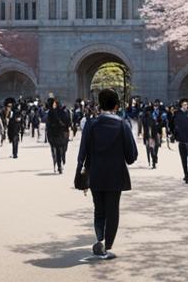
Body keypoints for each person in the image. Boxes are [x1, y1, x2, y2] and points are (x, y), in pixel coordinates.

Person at [77, 88, 138, 260]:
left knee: (99, 209)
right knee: (113, 210)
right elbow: (131, 156)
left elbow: (83, 151)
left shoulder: (91, 124)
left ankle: (100, 239)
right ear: (117, 106)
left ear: (100, 105)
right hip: (115, 175)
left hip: (95, 173)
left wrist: (82, 170)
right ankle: (106, 245)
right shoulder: (122, 124)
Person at [45, 97, 71, 174]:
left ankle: (59, 164)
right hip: (58, 134)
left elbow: (67, 122)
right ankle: (59, 165)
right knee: (59, 150)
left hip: (59, 134)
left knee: (58, 150)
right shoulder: (54, 112)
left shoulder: (60, 112)